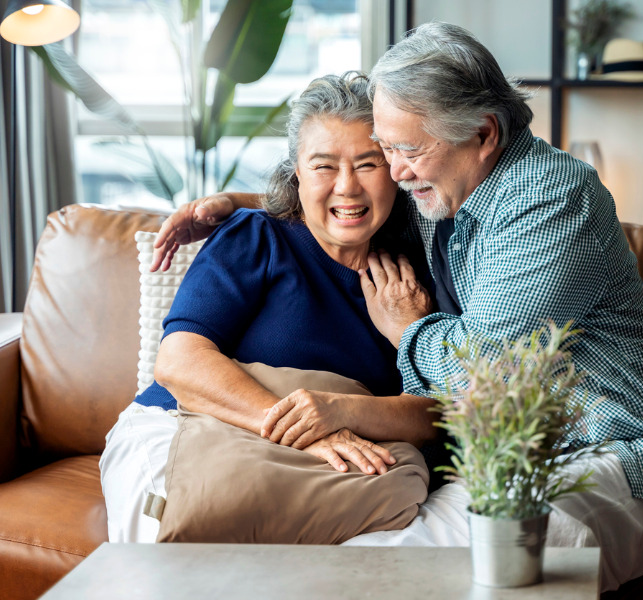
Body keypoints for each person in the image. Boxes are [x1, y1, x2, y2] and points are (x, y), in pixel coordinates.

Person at [151, 23, 643, 592]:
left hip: (615, 456)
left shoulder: (549, 201)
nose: (396, 171)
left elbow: (486, 373)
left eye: (405, 151)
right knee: (360, 561)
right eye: (389, 149)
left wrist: (409, 328)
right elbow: (344, 194)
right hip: (507, 454)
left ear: (483, 132)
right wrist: (238, 203)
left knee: (409, 574)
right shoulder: (443, 188)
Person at [99, 72, 441, 544]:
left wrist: (399, 346)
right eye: (323, 166)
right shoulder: (258, 236)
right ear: (296, 171)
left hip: (335, 458)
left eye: (368, 164)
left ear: (397, 170)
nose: (347, 188)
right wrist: (307, 429)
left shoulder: (413, 279)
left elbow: (438, 414)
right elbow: (179, 362)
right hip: (192, 426)